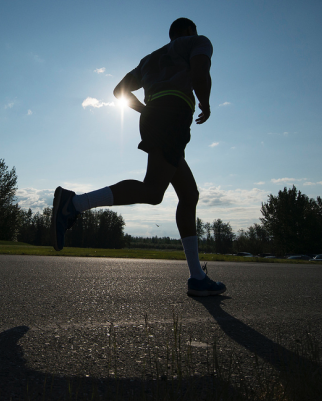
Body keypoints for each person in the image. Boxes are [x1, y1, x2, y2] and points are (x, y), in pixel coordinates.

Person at [51, 17, 226, 297]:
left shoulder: (150, 59)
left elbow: (119, 91)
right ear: (190, 31)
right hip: (173, 114)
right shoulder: (198, 42)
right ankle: (73, 204)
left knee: (189, 194)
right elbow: (200, 71)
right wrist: (204, 103)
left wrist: (146, 110)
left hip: (155, 115)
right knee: (154, 191)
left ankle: (197, 277)